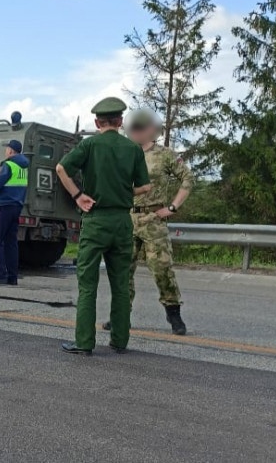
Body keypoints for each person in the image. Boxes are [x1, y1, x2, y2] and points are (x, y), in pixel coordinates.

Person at [55, 97, 151, 355]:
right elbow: (146, 186)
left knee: (88, 283)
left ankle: (85, 342)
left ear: (98, 122)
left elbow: (61, 168)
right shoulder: (133, 149)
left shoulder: (90, 145)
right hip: (122, 221)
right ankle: (120, 340)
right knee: (121, 283)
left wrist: (78, 195)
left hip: (96, 219)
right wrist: (123, 193)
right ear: (120, 122)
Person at [101, 108, 193, 335]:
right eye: (133, 129)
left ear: (151, 130)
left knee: (162, 269)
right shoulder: (123, 153)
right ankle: (121, 316)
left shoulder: (164, 155)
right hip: (127, 218)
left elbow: (188, 179)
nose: (136, 133)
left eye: (141, 128)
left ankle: (174, 315)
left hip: (153, 219)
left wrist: (172, 207)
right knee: (122, 271)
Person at [0, 139, 29, 286]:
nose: (5, 151)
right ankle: (12, 277)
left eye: (6, 148)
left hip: (4, 205)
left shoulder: (8, 165)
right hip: (16, 206)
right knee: (11, 243)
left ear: (11, 151)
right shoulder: (23, 166)